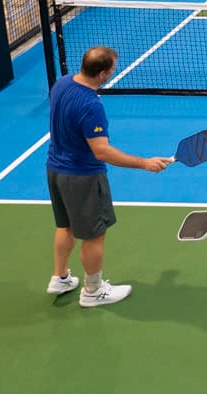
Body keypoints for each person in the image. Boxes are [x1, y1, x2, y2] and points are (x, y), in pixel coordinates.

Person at [45, 45, 172, 308]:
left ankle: (60, 277)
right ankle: (93, 291)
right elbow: (101, 151)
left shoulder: (61, 83)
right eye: (112, 68)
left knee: (66, 225)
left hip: (55, 169)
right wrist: (144, 163)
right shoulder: (91, 105)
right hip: (82, 176)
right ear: (103, 74)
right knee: (94, 235)